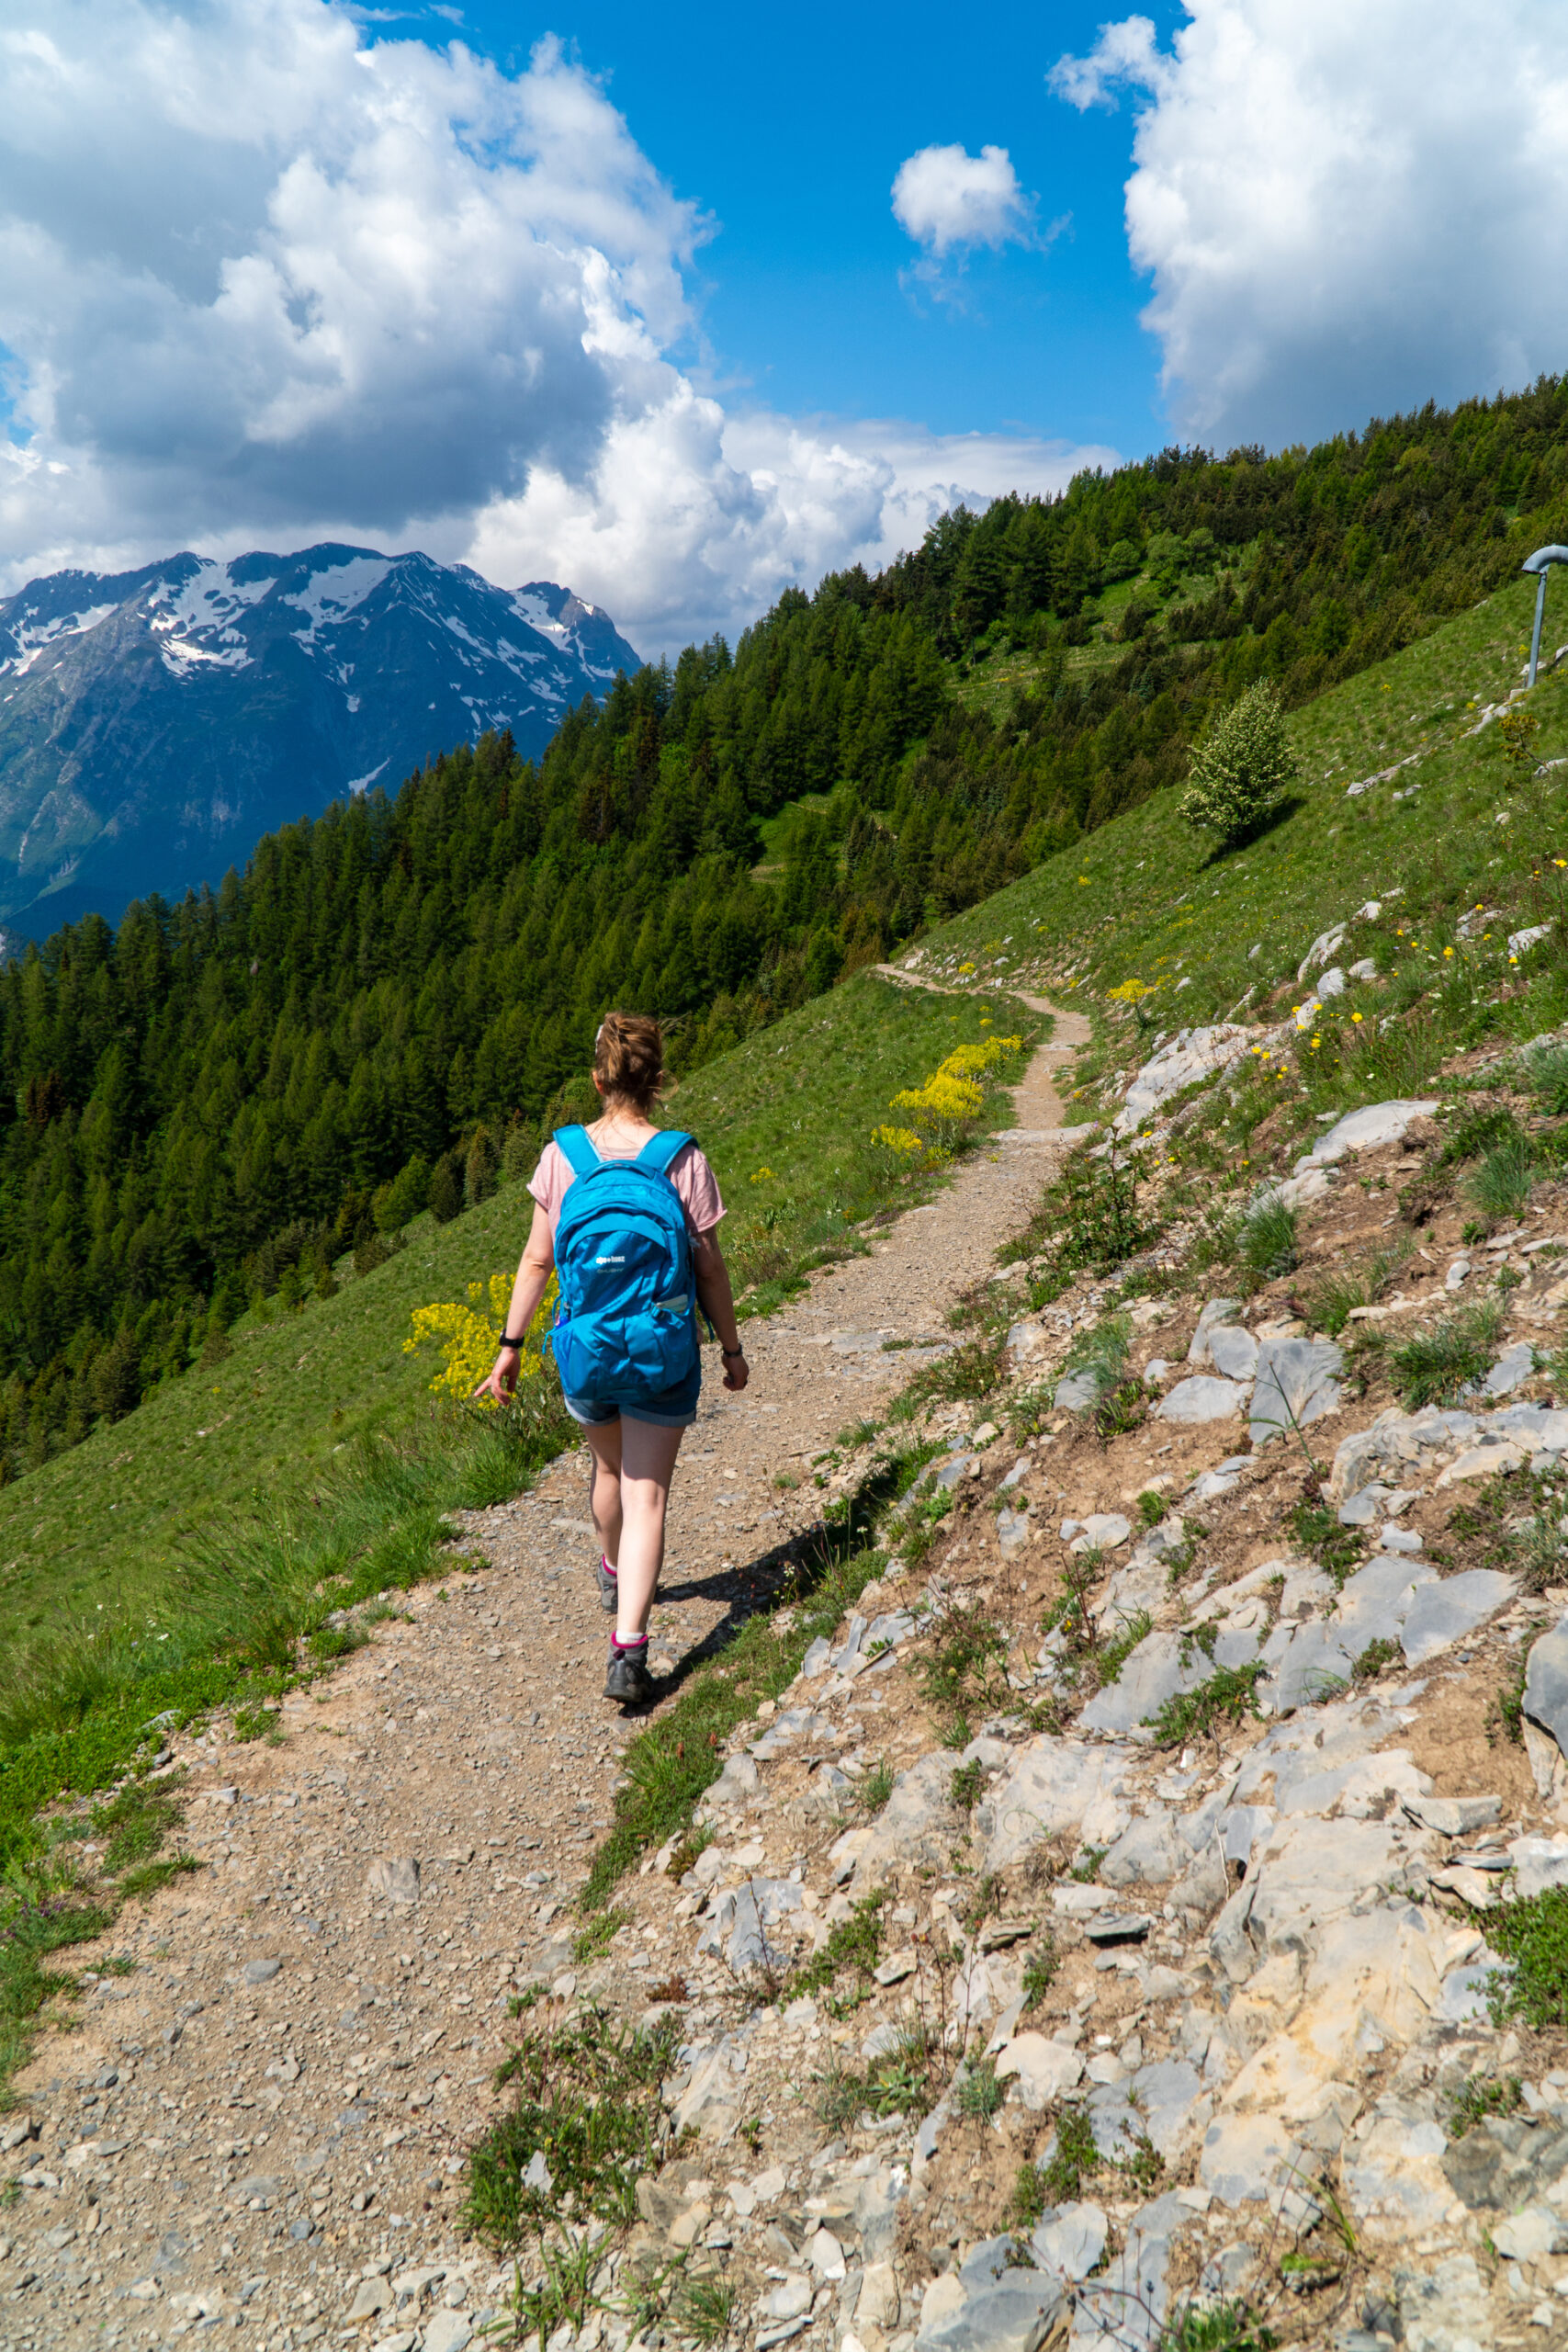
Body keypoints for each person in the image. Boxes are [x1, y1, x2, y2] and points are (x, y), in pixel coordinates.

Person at [474, 1012, 750, 1704]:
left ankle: (608, 1565)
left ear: (596, 1081)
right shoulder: (683, 1158)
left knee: (605, 1466)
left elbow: (538, 1259)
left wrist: (509, 1349)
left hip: (588, 1349)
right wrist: (732, 1348)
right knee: (646, 1493)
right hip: (662, 1350)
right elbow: (710, 1271)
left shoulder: (561, 1156)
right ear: (658, 1081)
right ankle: (628, 1653)